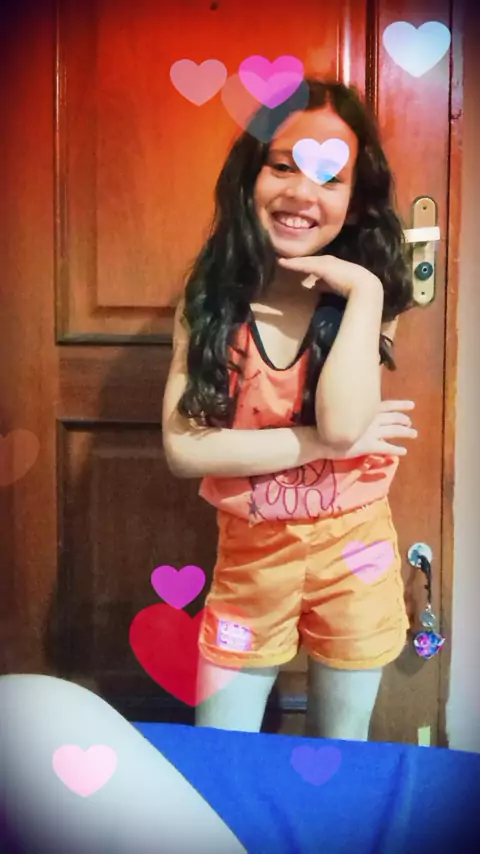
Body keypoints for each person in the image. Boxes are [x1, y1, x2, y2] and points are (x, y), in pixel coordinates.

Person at [162, 79, 418, 741]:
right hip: (252, 560)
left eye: (330, 177)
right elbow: (185, 449)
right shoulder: (211, 299)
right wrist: (326, 446)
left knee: (343, 750)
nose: (303, 193)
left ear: (356, 201)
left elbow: (343, 421)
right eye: (283, 166)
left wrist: (364, 291)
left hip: (355, 557)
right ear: (250, 175)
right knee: (222, 749)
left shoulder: (368, 298)